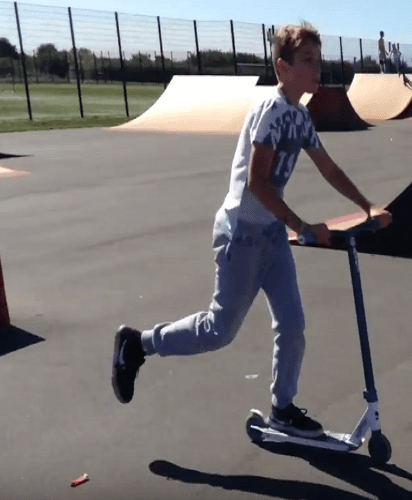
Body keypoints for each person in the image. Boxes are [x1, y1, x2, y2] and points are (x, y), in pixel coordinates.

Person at [111, 22, 386, 439]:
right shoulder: (271, 112)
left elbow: (328, 167)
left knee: (292, 324)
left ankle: (282, 407)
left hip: (271, 236)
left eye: (319, 60)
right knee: (219, 331)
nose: (318, 70)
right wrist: (302, 226)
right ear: (283, 68)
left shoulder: (300, 117)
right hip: (240, 234)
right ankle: (139, 343)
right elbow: (257, 183)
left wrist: (365, 205)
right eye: (308, 62)